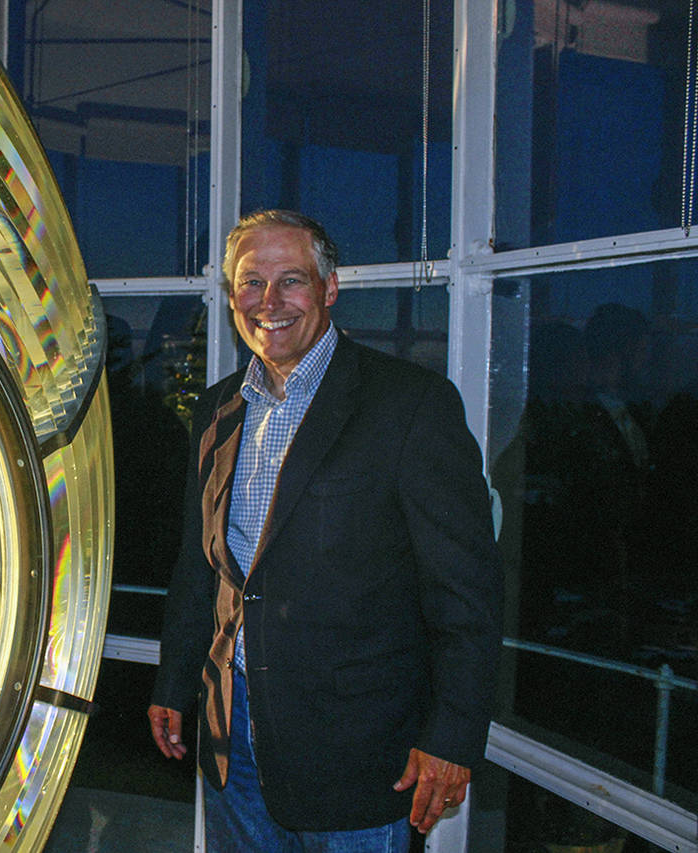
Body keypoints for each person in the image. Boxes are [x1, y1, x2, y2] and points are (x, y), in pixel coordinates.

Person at [147, 210, 502, 851]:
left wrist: (452, 738)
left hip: (360, 755)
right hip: (232, 739)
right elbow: (200, 565)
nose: (269, 302)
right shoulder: (217, 408)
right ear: (231, 295)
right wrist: (174, 682)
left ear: (329, 288)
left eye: (292, 280)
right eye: (251, 282)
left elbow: (466, 591)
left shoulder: (409, 404)